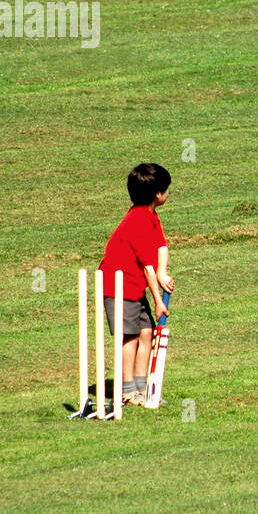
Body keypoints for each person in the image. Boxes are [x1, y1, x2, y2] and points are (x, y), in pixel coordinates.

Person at [98, 163, 174, 407]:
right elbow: (147, 267)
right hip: (117, 286)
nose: (168, 193)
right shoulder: (138, 220)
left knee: (147, 333)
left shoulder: (151, 216)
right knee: (129, 338)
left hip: (134, 287)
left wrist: (163, 272)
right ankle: (127, 389)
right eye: (167, 190)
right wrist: (159, 301)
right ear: (157, 195)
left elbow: (161, 246)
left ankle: (144, 388)